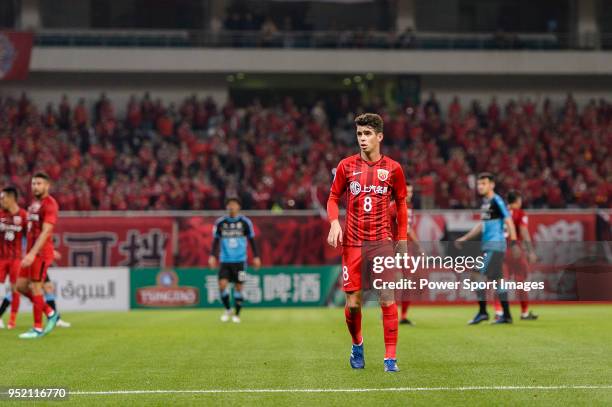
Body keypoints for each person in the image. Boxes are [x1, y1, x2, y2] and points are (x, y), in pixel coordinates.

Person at [327, 113, 408, 372]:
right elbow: (332, 198)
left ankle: (390, 358)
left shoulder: (393, 169)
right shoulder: (346, 166)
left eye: (368, 134)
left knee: (386, 297)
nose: (362, 139)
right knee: (353, 304)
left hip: (381, 242)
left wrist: (402, 238)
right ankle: (357, 344)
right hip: (352, 244)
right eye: (360, 134)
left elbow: (402, 204)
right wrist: (334, 222)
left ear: (379, 137)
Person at [456, 172, 519, 325]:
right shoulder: (486, 202)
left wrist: (514, 242)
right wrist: (465, 238)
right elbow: (482, 225)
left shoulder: (497, 200)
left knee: (475, 275)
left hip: (495, 245)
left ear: (492, 185)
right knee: (498, 280)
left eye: (484, 183)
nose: (480, 186)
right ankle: (507, 315)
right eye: (479, 184)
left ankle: (483, 312)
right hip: (490, 245)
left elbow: (509, 220)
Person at [16, 173, 60, 339]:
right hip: (31, 251)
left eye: (39, 184)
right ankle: (50, 312)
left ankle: (37, 328)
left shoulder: (50, 204)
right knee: (19, 286)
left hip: (40, 253)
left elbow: (46, 231)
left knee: (36, 287)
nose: (35, 186)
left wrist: (33, 253)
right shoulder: (34, 204)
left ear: (47, 186)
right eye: (33, 183)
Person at [209, 198, 261, 323]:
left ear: (239, 207)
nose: (231, 207)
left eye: (234, 205)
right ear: (227, 207)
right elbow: (216, 240)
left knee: (239, 287)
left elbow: (252, 240)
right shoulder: (221, 222)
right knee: (222, 285)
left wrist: (256, 256)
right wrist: (212, 256)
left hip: (240, 261)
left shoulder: (245, 222)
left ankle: (237, 315)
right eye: (229, 205)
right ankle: (227, 309)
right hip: (225, 260)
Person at [494, 190, 538, 320]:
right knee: (520, 282)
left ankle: (499, 311)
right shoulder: (520, 213)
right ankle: (524, 313)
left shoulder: (499, 212)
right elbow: (523, 231)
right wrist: (530, 251)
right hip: (515, 251)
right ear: (518, 201)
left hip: (499, 250)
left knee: (500, 282)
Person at [389, 182, 422, 326]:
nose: (409, 194)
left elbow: (408, 229)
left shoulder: (408, 207)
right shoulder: (394, 207)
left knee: (406, 281)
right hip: (394, 249)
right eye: (407, 191)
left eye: (411, 192)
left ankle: (402, 315)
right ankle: (391, 313)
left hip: (404, 249)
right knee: (398, 281)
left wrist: (418, 246)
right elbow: (406, 229)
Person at [0, 187, 27, 329]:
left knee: (14, 288)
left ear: (11, 198)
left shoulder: (23, 215)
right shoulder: (0, 214)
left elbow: (30, 236)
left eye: (3, 198)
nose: (1, 201)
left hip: (16, 258)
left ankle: (12, 320)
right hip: (0, 258)